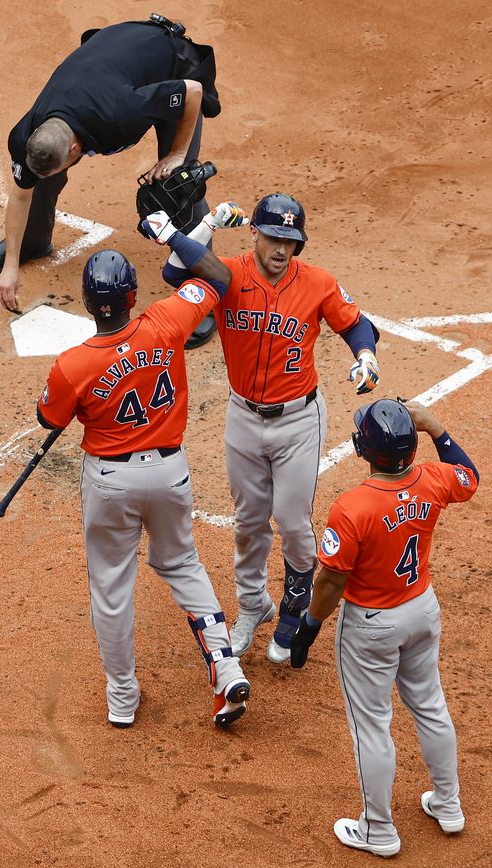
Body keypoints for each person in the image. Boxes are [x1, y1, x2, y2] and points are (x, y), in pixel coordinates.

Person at [33, 211, 250, 729]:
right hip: (170, 475)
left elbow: (48, 417)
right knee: (182, 564)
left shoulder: (72, 365)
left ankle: (122, 698)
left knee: (112, 587)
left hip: (111, 482)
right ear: (133, 296)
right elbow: (219, 277)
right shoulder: (167, 320)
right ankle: (224, 665)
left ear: (86, 303)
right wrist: (176, 236)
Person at [163, 193, 384, 664]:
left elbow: (357, 325)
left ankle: (295, 602)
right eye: (274, 237)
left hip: (299, 420)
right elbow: (174, 274)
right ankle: (252, 606)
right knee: (247, 523)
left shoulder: (318, 283)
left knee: (291, 520)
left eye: (291, 240)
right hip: (242, 416)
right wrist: (205, 225)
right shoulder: (227, 273)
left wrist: (365, 355)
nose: (282, 249)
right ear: (255, 234)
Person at [288, 399, 478, 857]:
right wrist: (436, 427)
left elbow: (332, 580)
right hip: (421, 609)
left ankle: (378, 830)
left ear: (363, 448)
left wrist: (310, 625)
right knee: (430, 705)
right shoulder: (434, 480)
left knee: (372, 725)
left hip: (371, 626)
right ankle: (448, 805)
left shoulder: (352, 508)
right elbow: (469, 476)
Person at [0, 14, 221, 348]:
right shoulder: (28, 136)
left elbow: (192, 92)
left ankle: (204, 294)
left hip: (170, 66)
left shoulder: (120, 113)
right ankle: (33, 240)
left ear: (74, 148)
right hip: (113, 69)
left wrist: (177, 155)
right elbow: (22, 192)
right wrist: (10, 265)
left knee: (181, 185)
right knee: (42, 178)